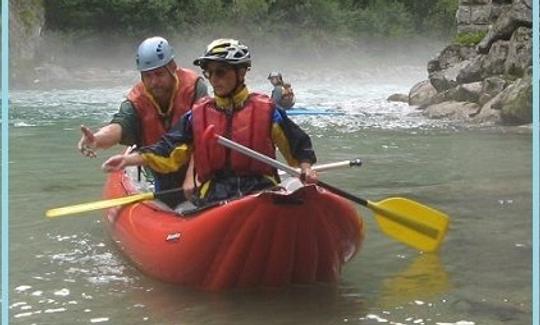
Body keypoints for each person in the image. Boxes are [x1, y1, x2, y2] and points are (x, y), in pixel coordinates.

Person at [101, 38, 318, 206]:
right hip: (215, 196)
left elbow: (298, 147)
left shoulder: (268, 111)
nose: (214, 79)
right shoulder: (198, 115)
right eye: (210, 73)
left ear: (241, 72)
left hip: (261, 191)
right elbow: (167, 150)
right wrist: (127, 161)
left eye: (221, 72)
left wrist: (306, 168)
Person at [77, 36, 208, 208]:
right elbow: (120, 125)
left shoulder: (194, 87)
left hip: (195, 164)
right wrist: (97, 140)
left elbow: (203, 134)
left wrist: (193, 174)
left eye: (159, 74)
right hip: (161, 169)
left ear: (172, 68)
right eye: (147, 76)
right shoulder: (137, 99)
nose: (154, 82)